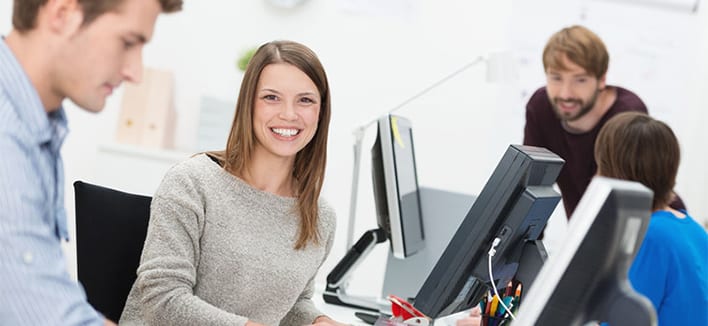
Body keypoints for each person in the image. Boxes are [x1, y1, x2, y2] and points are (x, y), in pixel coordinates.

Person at [119, 40, 345, 326]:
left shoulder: (320, 217)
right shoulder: (192, 183)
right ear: (248, 104)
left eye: (305, 100)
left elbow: (292, 302)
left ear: (321, 112)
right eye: (271, 97)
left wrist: (317, 321)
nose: (289, 114)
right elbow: (163, 300)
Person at [0, 0, 182, 325]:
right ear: (63, 13)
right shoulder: (7, 135)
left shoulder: (37, 124)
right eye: (127, 43)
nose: (135, 72)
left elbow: (47, 293)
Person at [522, 24, 663, 218]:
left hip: (646, 231)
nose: (565, 94)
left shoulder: (627, 115)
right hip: (591, 233)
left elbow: (620, 207)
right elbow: (531, 191)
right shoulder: (541, 107)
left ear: (602, 79)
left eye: (580, 80)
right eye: (556, 78)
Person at [594, 112, 708, 325]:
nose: (596, 177)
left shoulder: (649, 238)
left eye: (601, 167)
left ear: (617, 175)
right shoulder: (692, 228)